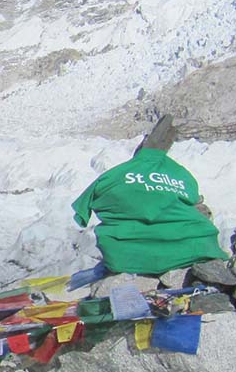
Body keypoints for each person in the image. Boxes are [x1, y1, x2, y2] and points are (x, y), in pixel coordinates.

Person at [71, 118, 227, 275]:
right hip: (196, 249)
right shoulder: (181, 174)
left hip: (125, 258)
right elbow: (193, 199)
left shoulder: (115, 175)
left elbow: (81, 210)